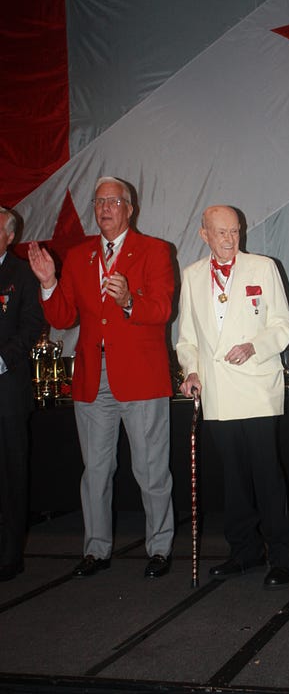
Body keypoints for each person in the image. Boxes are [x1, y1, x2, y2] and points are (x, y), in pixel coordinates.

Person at [28, 177, 175, 579]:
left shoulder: (156, 251)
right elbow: (63, 317)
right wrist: (47, 283)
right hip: (93, 378)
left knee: (150, 470)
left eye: (113, 201)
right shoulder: (79, 256)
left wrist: (129, 301)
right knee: (95, 470)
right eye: (99, 201)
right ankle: (96, 549)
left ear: (131, 208)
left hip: (142, 378)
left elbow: (163, 309)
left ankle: (159, 548)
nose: (105, 207)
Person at [177, 204, 289, 589]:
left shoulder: (263, 267)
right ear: (204, 235)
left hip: (257, 387)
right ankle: (244, 551)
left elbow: (284, 325)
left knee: (266, 475)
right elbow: (187, 339)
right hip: (217, 392)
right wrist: (190, 370)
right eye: (222, 232)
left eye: (235, 231)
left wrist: (254, 346)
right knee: (233, 478)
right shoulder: (192, 275)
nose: (230, 240)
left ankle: (283, 554)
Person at [0, 207, 43, 581]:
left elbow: (32, 325)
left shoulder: (21, 274)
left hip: (7, 391)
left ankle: (10, 555)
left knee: (10, 475)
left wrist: (2, 359)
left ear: (10, 236)